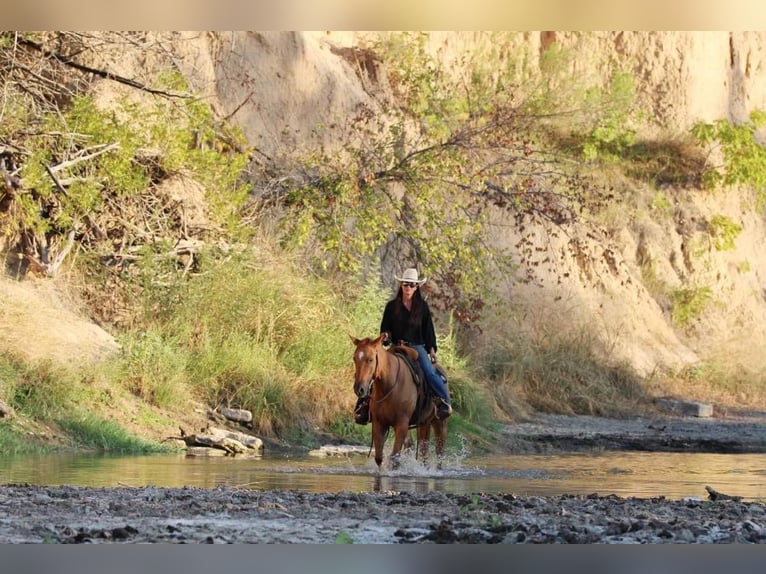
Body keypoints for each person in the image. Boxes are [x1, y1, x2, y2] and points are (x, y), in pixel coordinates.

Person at [380, 267, 453, 419]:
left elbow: (428, 330)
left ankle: (444, 402)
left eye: (412, 285)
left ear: (417, 287)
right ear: (401, 285)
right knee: (377, 370)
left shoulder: (422, 307)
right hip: (396, 347)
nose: (408, 287)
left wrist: (432, 350)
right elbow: (385, 328)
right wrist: (385, 336)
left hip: (416, 347)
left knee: (429, 372)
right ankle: (365, 407)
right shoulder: (391, 307)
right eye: (406, 284)